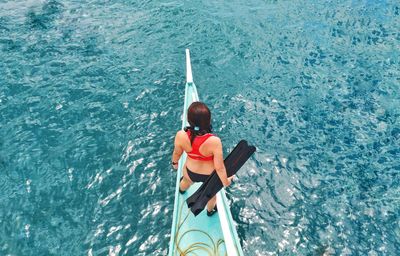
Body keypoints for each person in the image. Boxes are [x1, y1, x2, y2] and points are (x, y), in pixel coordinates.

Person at [171, 102, 233, 216]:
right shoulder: (214, 141)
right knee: (210, 196)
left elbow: (177, 153)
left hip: (191, 172)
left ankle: (182, 190)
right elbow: (219, 168)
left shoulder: (180, 135)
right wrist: (226, 182)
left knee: (185, 181)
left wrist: (174, 163)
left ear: (188, 119)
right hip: (209, 177)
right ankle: (210, 211)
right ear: (208, 120)